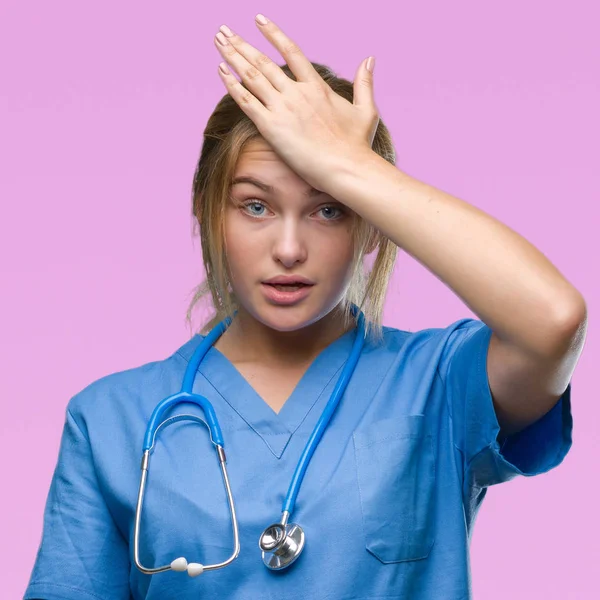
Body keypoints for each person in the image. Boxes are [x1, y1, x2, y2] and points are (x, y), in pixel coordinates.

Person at [24, 14, 586, 600]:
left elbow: (553, 320)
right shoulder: (110, 422)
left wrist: (353, 166)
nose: (289, 250)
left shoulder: (439, 383)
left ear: (371, 225)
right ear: (206, 209)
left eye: (329, 208)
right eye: (255, 207)